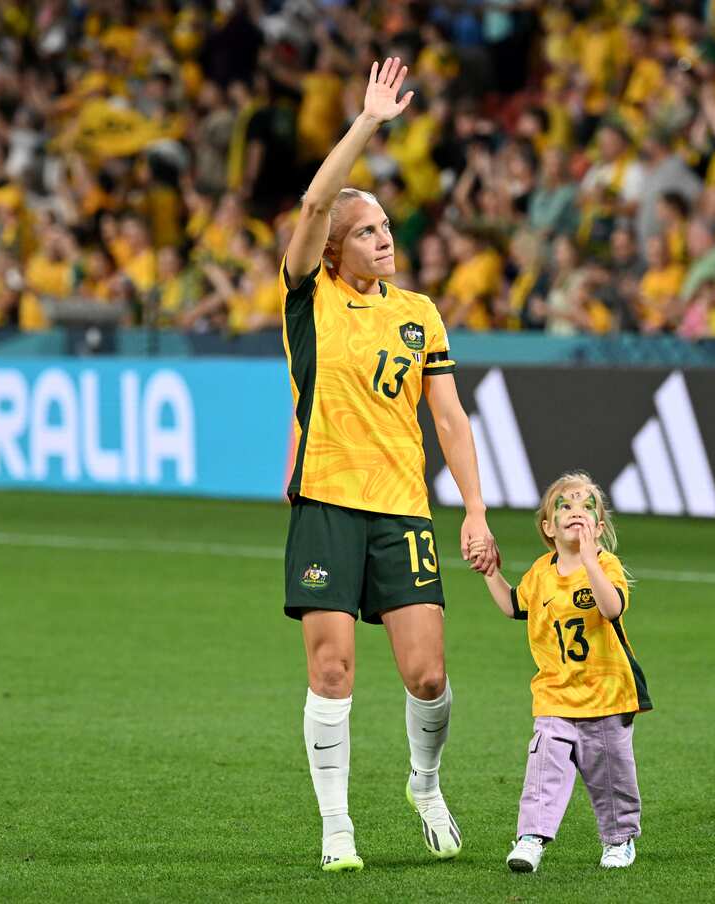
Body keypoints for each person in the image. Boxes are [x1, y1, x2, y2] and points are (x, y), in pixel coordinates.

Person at [279, 57, 498, 872]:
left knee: (428, 674)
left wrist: (474, 508)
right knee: (332, 668)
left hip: (404, 507)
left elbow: (447, 415)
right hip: (328, 503)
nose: (386, 239)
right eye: (368, 231)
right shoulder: (310, 295)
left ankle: (426, 783)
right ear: (335, 250)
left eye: (386, 228)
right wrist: (368, 123)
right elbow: (311, 203)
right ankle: (338, 827)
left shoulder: (419, 314)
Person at [472, 472, 651, 873]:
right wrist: (489, 573)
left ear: (599, 528)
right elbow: (515, 606)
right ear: (548, 527)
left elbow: (611, 608)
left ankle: (619, 840)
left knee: (611, 776)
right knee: (544, 764)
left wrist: (590, 558)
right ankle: (531, 839)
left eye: (587, 507)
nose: (576, 511)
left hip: (606, 696)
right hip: (554, 694)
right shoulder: (540, 573)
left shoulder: (606, 565)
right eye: (565, 506)